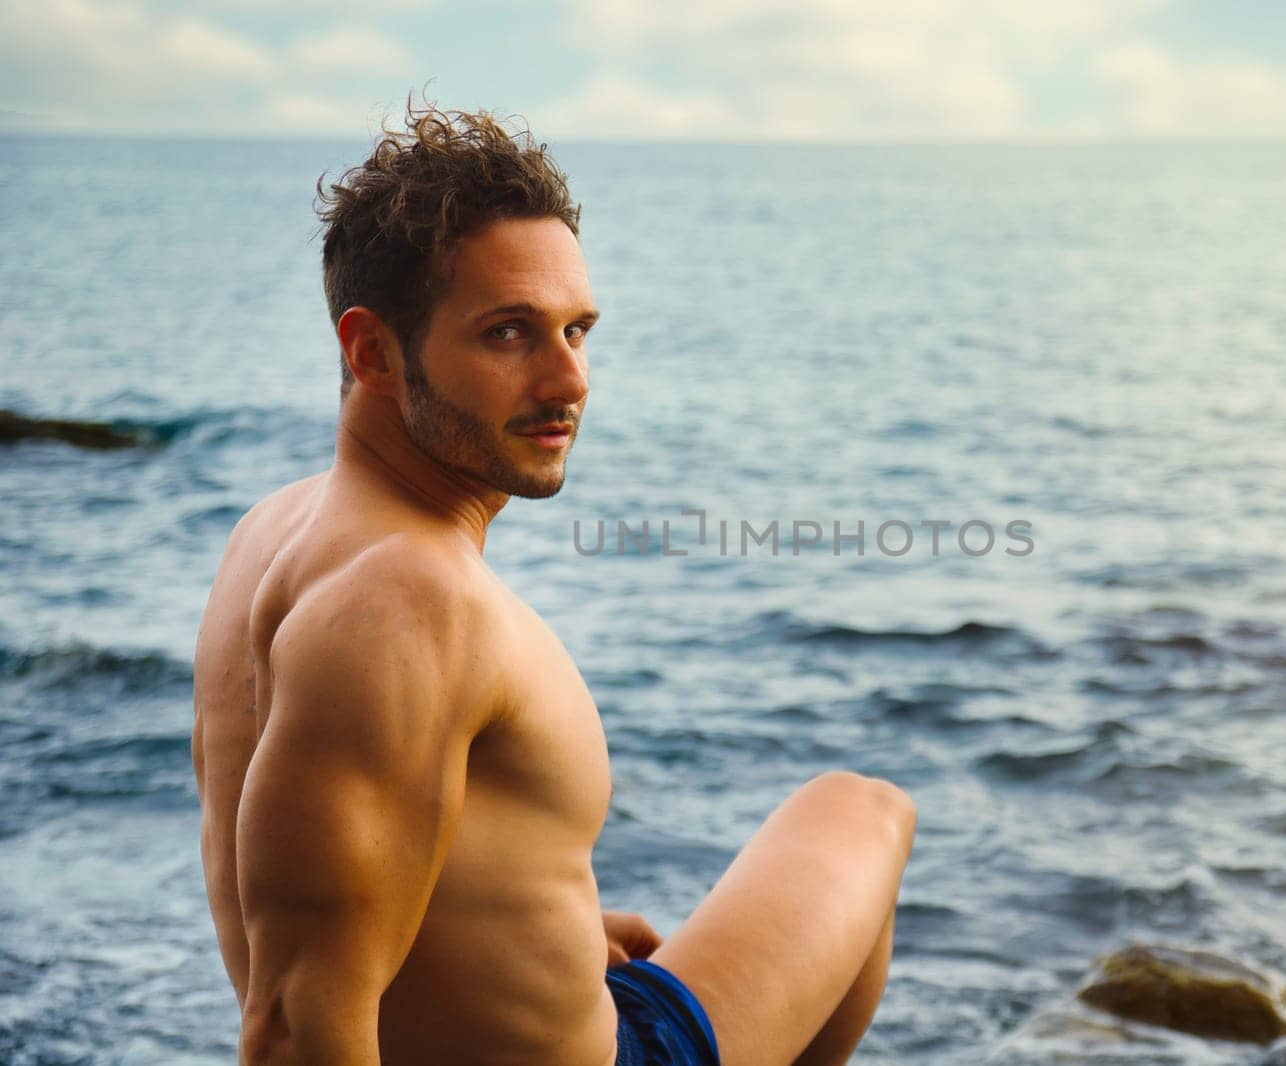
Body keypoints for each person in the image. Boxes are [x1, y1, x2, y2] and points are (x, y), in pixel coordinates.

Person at [190, 100, 915, 1066]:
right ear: (370, 351)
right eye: (508, 334)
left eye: (578, 330)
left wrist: (538, 936)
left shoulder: (274, 528)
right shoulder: (410, 599)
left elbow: (322, 873)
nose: (569, 380)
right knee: (864, 811)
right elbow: (290, 1030)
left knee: (850, 805)